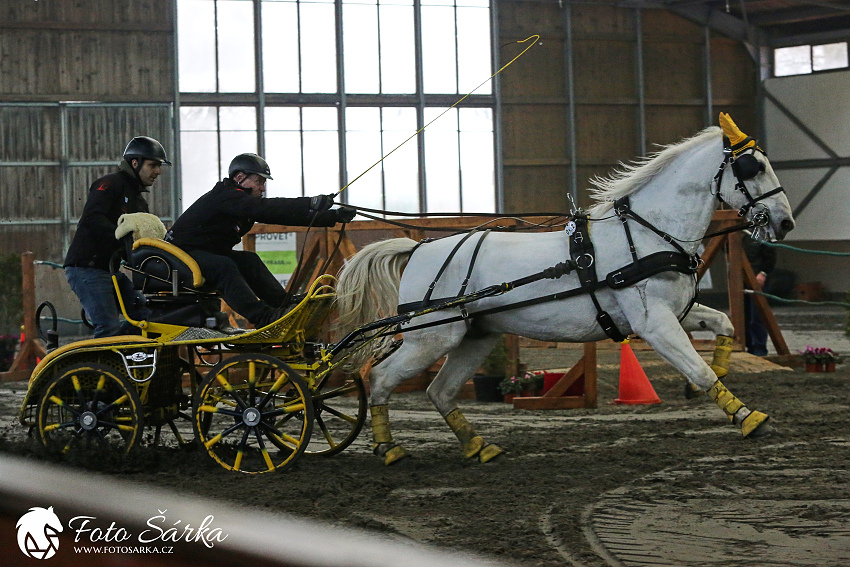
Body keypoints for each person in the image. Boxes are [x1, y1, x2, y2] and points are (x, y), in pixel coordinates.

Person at [165, 153, 356, 329]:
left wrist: (332, 216)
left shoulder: (240, 202)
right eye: (259, 181)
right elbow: (267, 208)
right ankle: (264, 317)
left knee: (249, 261)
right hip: (178, 258)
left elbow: (282, 216)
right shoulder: (225, 196)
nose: (263, 188)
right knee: (223, 266)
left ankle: (283, 304)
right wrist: (310, 202)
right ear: (239, 178)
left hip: (201, 254)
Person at [64, 136, 171, 337]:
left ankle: (123, 360)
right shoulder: (109, 183)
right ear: (135, 162)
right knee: (107, 326)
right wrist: (121, 236)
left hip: (109, 270)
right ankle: (96, 368)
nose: (158, 171)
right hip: (86, 268)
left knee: (145, 318)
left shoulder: (139, 202)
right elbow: (91, 218)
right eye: (153, 165)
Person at [743, 232, 776, 357]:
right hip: (741, 279)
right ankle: (749, 346)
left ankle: (759, 348)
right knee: (744, 316)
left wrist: (763, 273)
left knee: (756, 316)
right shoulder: (740, 234)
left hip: (757, 278)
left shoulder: (763, 233)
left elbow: (770, 255)